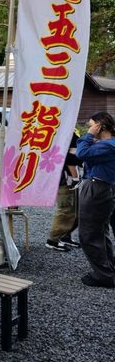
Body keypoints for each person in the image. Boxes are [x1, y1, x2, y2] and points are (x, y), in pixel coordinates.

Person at [75, 112, 115, 288]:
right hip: (103, 187)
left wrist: (89, 136)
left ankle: (104, 275)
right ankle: (109, 268)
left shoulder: (108, 146)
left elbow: (82, 153)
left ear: (101, 126)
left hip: (97, 188)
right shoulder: (108, 145)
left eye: (92, 125)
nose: (89, 128)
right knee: (100, 231)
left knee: (88, 234)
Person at [46, 130, 81, 251]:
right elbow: (70, 159)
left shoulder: (62, 130)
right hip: (65, 178)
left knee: (74, 209)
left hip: (62, 176)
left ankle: (65, 236)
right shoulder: (66, 132)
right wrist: (76, 177)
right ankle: (53, 240)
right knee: (66, 209)